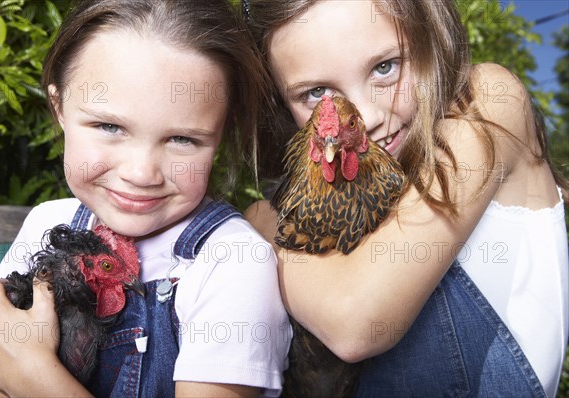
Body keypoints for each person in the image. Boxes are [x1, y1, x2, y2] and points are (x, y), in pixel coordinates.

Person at [243, 0, 569, 396]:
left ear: (429, 35)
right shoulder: (342, 204)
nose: (367, 114)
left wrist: (262, 222)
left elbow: (355, 322)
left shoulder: (488, 103)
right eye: (316, 92)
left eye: (385, 67)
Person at [0, 0, 292, 396]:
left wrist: (33, 378)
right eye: (109, 126)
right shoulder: (45, 224)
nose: (141, 173)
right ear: (59, 109)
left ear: (220, 135)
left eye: (182, 139)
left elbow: (4, 368)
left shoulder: (233, 264)